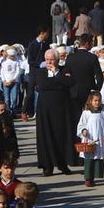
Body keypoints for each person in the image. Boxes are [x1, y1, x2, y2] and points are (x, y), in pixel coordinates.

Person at [33, 48, 74, 176]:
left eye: (52, 60)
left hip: (61, 109)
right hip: (45, 109)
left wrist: (56, 74)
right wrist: (58, 83)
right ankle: (47, 166)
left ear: (57, 60)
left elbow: (69, 83)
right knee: (45, 136)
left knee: (62, 136)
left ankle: (63, 164)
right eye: (47, 60)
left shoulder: (64, 70)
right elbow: (42, 85)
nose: (49, 62)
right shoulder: (40, 72)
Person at [75, 91, 104, 188]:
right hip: (89, 140)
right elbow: (81, 125)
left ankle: (94, 177)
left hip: (99, 140)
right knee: (89, 160)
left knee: (97, 159)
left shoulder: (103, 113)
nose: (97, 102)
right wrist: (83, 131)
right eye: (95, 100)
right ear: (90, 101)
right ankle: (88, 178)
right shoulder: (86, 113)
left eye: (99, 100)